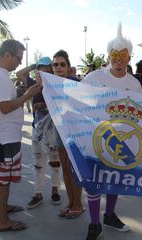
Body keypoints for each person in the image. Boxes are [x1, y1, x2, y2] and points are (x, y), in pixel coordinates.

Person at [82, 23, 142, 240]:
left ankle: (109, 215)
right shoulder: (93, 78)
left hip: (121, 141)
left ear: (129, 57)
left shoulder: (135, 84)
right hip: (95, 139)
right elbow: (76, 99)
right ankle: (94, 224)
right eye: (114, 54)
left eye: (123, 54)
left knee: (116, 180)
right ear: (108, 56)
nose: (118, 58)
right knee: (94, 181)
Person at [0, 39, 42, 232]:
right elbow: (5, 107)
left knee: (5, 177)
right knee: (3, 179)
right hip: (4, 137)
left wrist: (18, 94)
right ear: (7, 55)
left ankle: (3, 208)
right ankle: (2, 219)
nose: (19, 63)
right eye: (18, 58)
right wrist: (28, 95)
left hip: (4, 135)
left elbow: (5, 102)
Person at [16, 57, 62, 209]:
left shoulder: (57, 85)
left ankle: (55, 190)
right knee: (38, 163)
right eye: (42, 70)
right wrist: (34, 65)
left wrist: (46, 105)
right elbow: (19, 73)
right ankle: (38, 193)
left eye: (49, 70)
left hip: (54, 130)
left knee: (55, 163)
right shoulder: (33, 84)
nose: (45, 73)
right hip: (37, 128)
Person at [51, 50, 84, 219]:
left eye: (62, 64)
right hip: (59, 131)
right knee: (65, 168)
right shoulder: (50, 84)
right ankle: (71, 202)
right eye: (55, 64)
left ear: (68, 67)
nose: (58, 67)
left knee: (74, 170)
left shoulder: (75, 83)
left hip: (75, 133)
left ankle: (78, 204)